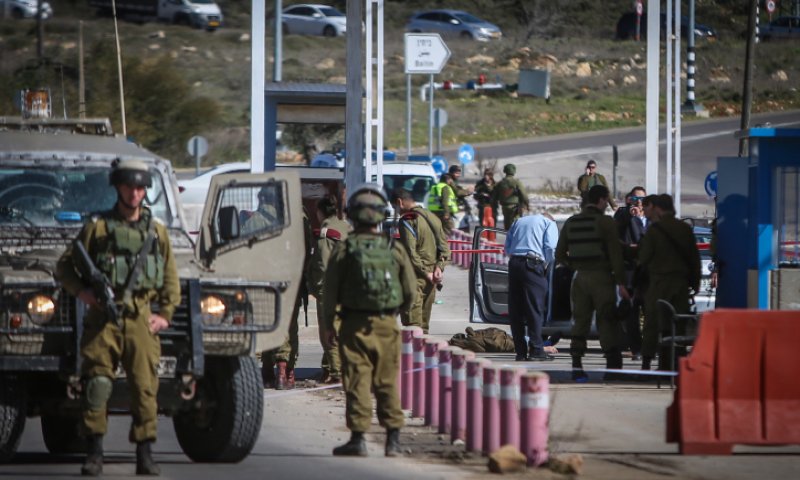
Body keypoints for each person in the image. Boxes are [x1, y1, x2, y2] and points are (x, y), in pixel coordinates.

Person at [55, 160, 180, 476]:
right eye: (128, 187)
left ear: (145, 191)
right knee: (97, 384)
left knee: (145, 387)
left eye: (139, 188)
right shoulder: (97, 229)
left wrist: (165, 315)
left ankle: (145, 453)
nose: (134, 193)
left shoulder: (156, 232)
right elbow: (65, 266)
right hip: (103, 320)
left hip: (140, 318)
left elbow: (170, 278)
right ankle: (94, 452)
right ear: (118, 188)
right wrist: (83, 293)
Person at [322, 184, 416, 457]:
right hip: (387, 324)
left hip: (353, 325)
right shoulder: (393, 248)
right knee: (387, 381)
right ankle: (393, 440)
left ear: (352, 215)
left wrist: (329, 325)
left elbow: (330, 292)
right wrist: (394, 313)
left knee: (357, 380)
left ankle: (358, 439)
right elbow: (410, 291)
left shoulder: (345, 249)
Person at [555, 184, 629, 381]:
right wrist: (621, 283)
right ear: (602, 200)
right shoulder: (606, 222)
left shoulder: (572, 222)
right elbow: (616, 256)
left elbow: (559, 254)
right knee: (607, 321)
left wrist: (576, 265)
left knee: (580, 323)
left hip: (579, 279)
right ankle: (612, 369)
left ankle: (577, 366)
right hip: (602, 278)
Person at [638, 194, 701, 372]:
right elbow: (694, 259)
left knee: (653, 324)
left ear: (658, 208)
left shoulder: (654, 230)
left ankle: (646, 365)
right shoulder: (684, 229)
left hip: (659, 283)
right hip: (680, 285)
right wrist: (695, 283)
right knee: (677, 325)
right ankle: (674, 365)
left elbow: (644, 258)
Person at [391, 188, 450, 334]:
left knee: (412, 326)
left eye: (394, 207)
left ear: (399, 202)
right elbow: (445, 249)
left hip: (414, 278)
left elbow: (410, 253)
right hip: (431, 278)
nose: (396, 212)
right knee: (423, 327)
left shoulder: (408, 220)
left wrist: (425, 272)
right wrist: (439, 268)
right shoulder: (432, 217)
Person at [504, 211, 559, 361]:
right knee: (534, 309)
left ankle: (520, 352)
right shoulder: (549, 223)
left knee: (516, 311)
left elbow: (507, 248)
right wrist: (547, 266)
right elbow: (551, 247)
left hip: (514, 264)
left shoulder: (518, 221)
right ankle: (536, 350)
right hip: (533, 264)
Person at [307, 197, 350, 384]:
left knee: (329, 332)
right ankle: (328, 368)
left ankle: (336, 373)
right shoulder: (346, 227)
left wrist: (317, 288)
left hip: (330, 290)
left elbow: (324, 265)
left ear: (320, 212)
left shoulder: (326, 232)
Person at [614, 186, 647, 361]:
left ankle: (650, 346)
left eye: (642, 199)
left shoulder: (650, 218)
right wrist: (630, 215)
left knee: (650, 311)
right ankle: (637, 348)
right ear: (629, 200)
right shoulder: (623, 215)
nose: (638, 202)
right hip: (630, 271)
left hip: (647, 272)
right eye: (635, 199)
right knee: (632, 312)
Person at [491, 163, 529, 230]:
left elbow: (494, 197)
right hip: (515, 208)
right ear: (514, 171)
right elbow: (524, 195)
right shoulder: (516, 182)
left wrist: (494, 208)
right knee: (516, 226)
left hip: (504, 208)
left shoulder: (500, 183)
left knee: (507, 226)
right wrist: (527, 204)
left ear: (505, 171)